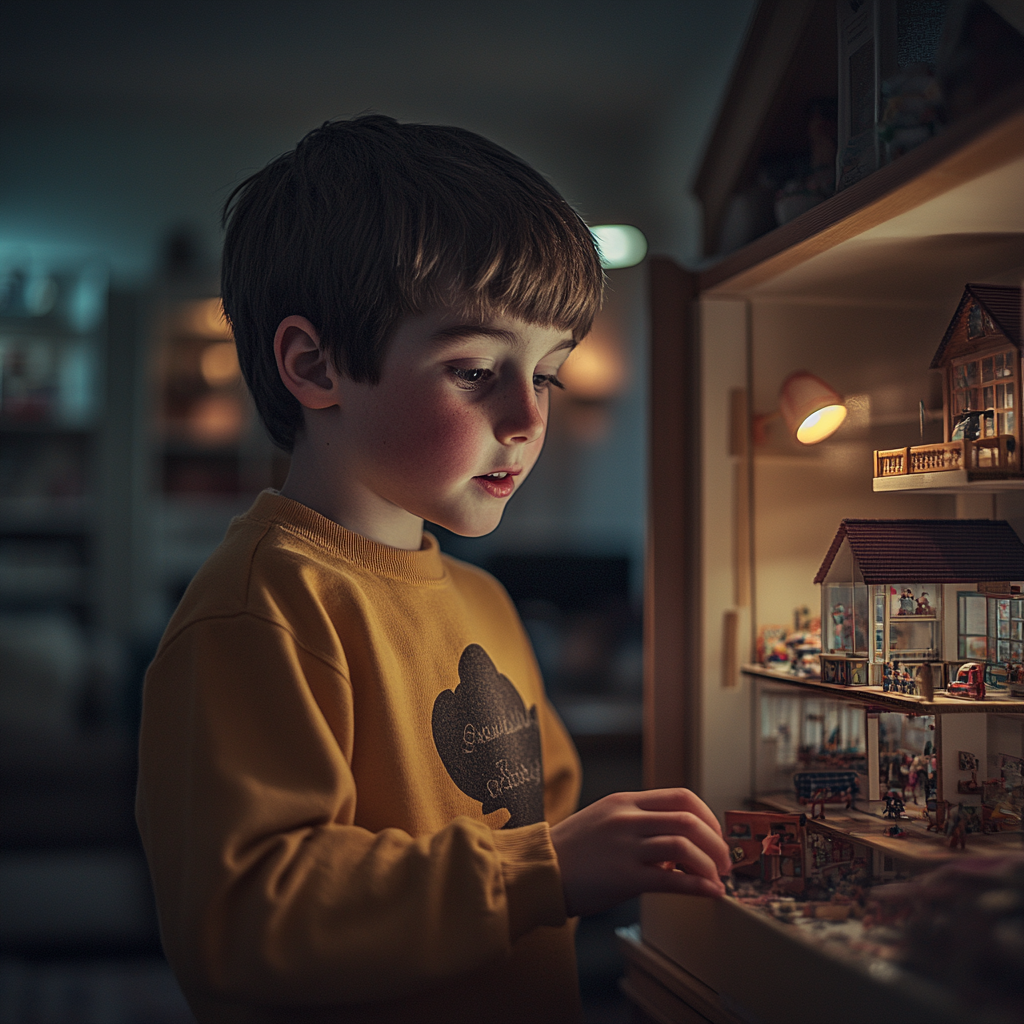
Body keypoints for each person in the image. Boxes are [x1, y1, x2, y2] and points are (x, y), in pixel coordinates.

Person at [135, 115, 732, 1024]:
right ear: (315, 364)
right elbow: (249, 919)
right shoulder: (266, 606)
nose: (529, 418)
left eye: (550, 376)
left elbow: (540, 821)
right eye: (475, 369)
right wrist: (552, 869)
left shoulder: (482, 600)